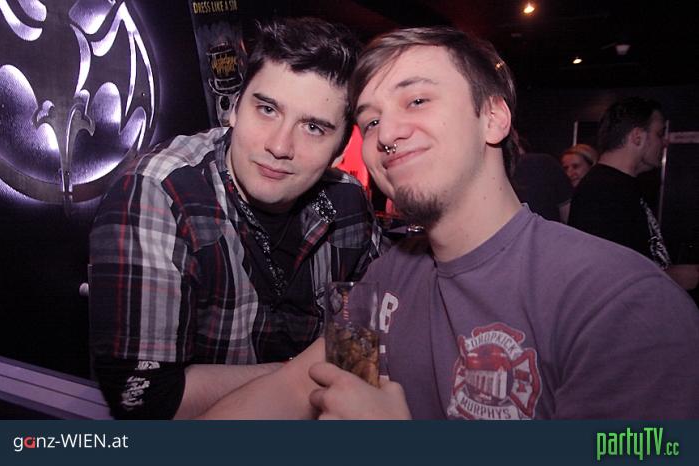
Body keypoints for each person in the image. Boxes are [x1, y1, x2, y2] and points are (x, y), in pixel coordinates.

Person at [201, 26, 699, 420]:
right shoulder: (390, 277)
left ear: (493, 118)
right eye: (370, 121)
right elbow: (296, 388)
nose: (387, 133)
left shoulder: (623, 303)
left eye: (416, 100)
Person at [88, 17, 384, 419]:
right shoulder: (159, 193)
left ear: (341, 148)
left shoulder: (348, 204)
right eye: (267, 109)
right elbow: (144, 400)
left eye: (314, 127)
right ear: (233, 109)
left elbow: (372, 341)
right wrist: (305, 376)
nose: (280, 145)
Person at [569, 97, 699, 290]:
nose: (664, 142)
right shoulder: (602, 191)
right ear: (637, 137)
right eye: (659, 134)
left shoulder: (622, 185)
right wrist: (674, 278)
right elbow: (607, 277)